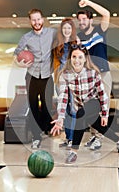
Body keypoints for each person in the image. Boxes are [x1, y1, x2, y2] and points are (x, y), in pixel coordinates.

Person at [50, 45, 119, 164]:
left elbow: (102, 95)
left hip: (94, 102)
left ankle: (73, 152)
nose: (77, 60)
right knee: (101, 128)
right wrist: (60, 118)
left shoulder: (93, 73)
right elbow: (63, 98)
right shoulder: (65, 74)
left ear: (85, 59)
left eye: (80, 57)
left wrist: (105, 114)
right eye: (74, 57)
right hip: (81, 106)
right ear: (70, 58)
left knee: (80, 114)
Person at [14, 8, 56, 149]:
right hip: (32, 76)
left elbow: (66, 37)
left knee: (47, 106)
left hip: (47, 76)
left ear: (42, 19)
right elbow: (16, 54)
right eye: (34, 20)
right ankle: (36, 136)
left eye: (38, 19)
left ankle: (45, 128)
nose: (36, 22)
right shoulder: (26, 37)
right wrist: (19, 63)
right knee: (33, 107)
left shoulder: (52, 33)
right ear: (30, 21)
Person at [76, 0, 112, 151]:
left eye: (84, 19)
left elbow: (107, 13)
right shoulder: (79, 37)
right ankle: (93, 135)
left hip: (103, 74)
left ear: (90, 19)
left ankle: (99, 138)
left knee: (103, 106)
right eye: (80, 20)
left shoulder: (100, 30)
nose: (82, 22)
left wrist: (88, 3)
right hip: (89, 77)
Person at [52, 18, 79, 149]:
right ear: (61, 30)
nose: (67, 30)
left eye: (69, 28)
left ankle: (73, 139)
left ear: (72, 30)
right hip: (60, 79)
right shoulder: (57, 44)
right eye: (64, 28)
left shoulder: (76, 42)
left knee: (73, 109)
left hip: (73, 79)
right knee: (64, 109)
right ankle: (68, 138)